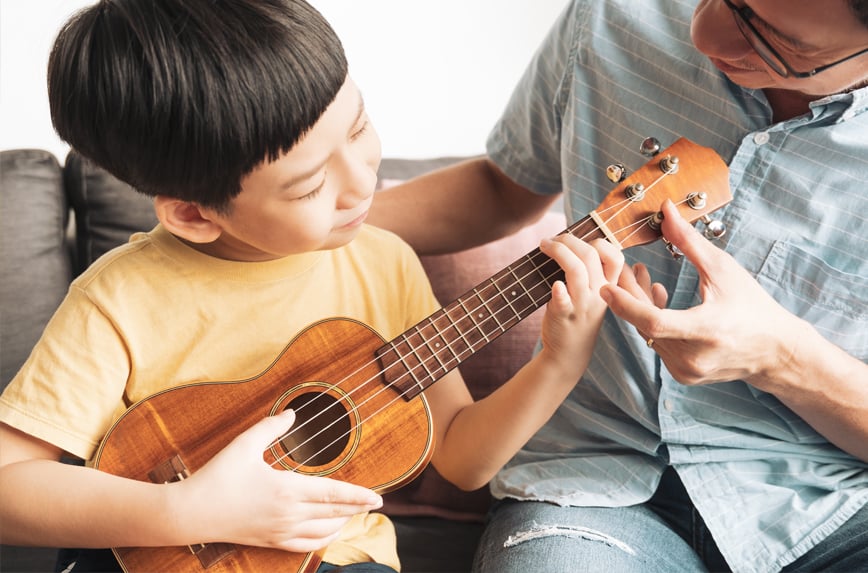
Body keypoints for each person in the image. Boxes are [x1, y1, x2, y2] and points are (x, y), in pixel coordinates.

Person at [0, 1, 625, 572]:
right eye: (307, 186)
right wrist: (189, 510)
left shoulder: (382, 264)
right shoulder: (119, 299)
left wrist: (560, 362)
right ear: (194, 214)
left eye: (358, 129)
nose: (361, 186)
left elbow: (463, 459)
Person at [367, 0, 868, 571]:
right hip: (593, 481)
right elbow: (502, 187)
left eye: (780, 40)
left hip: (834, 506)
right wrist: (304, 226)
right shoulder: (617, 14)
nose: (704, 35)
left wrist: (783, 357)